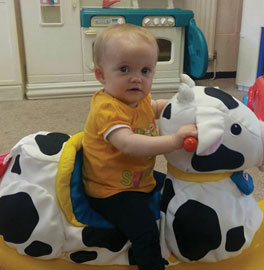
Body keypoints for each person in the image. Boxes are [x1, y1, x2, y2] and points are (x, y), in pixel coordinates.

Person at [82, 23, 197, 270]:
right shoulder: (107, 109)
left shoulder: (139, 97)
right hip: (111, 189)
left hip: (137, 177)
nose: (137, 78)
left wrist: (178, 107)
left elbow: (153, 108)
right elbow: (129, 143)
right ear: (101, 75)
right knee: (145, 231)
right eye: (124, 69)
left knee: (175, 187)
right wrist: (174, 141)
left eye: (146, 70)